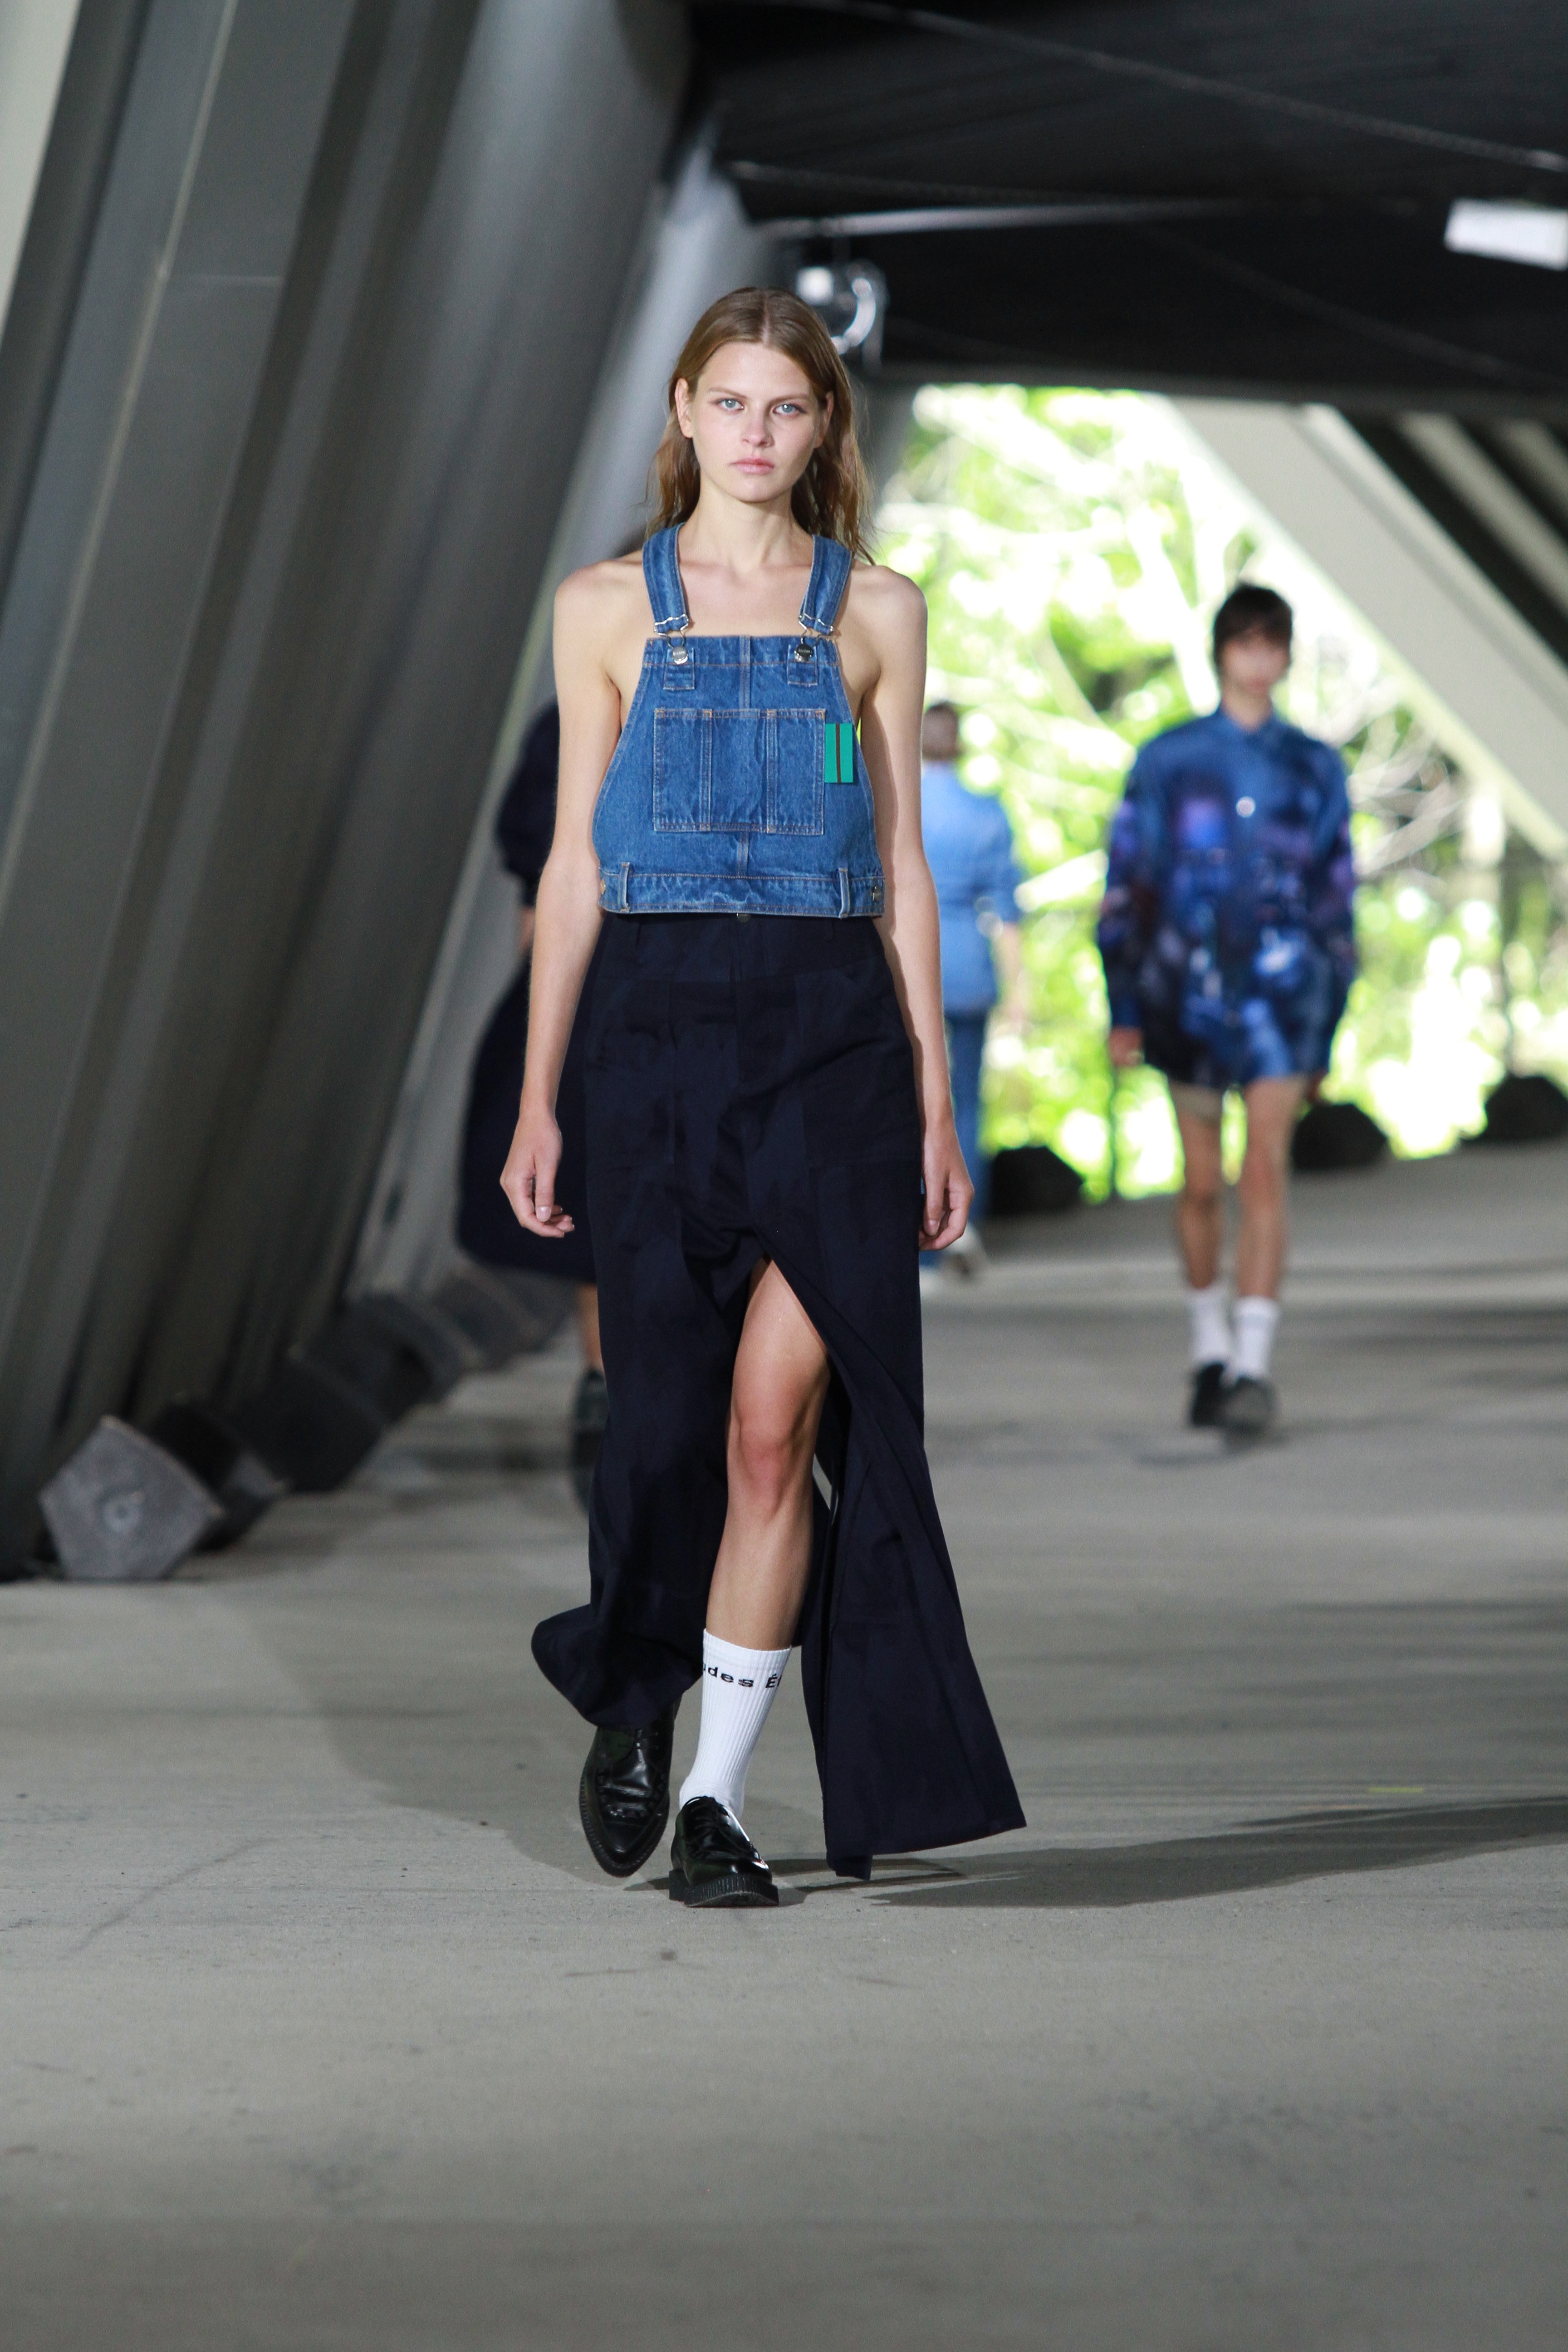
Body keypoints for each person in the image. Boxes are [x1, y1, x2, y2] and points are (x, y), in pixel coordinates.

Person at [500, 286, 1022, 1907]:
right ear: (682, 410)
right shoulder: (605, 607)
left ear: (821, 428)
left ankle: (716, 1799)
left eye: (785, 407)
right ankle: (633, 1681)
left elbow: (901, 870)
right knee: (659, 1431)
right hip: (652, 1045)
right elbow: (574, 869)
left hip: (831, 1049)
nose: (754, 432)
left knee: (770, 1427)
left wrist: (936, 1103)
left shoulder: (877, 610)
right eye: (728, 402)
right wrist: (539, 1097)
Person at [1096, 583, 1355, 1438]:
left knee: (1265, 1170)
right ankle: (1209, 1346)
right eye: (1245, 642)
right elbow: (1129, 880)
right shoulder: (1170, 759)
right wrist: (1124, 1002)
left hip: (1285, 996)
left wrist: (1329, 1024)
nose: (1259, 658)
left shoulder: (1314, 765)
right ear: (1221, 653)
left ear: (1286, 655)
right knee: (1202, 1180)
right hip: (1188, 996)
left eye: (1271, 643)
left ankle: (1252, 1364)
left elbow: (1335, 895)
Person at [456, 701, 606, 1507]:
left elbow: (535, 875)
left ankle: (606, 1388)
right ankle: (610, 1389)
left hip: (595, 976)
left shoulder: (578, 705)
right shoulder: (813, 680)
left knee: (601, 1204)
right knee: (608, 1203)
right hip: (626, 975)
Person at [918, 700, 1027, 1255]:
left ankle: (918, 1228)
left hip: (909, 965)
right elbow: (1007, 910)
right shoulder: (987, 812)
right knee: (967, 1099)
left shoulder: (896, 801)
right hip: (967, 964)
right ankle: (965, 1227)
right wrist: (1019, 989)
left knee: (911, 1098)